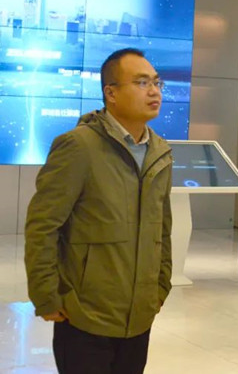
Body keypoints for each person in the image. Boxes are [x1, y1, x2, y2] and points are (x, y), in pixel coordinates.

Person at [25, 48, 173, 374]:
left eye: (156, 83)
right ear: (111, 93)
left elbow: (162, 227)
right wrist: (46, 295)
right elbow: (43, 225)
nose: (154, 91)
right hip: (84, 316)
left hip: (139, 316)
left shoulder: (159, 152)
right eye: (142, 82)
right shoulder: (79, 146)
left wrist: (161, 286)